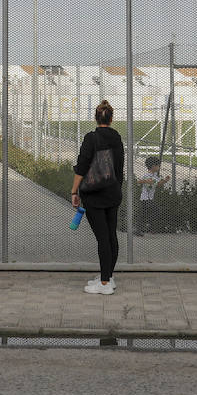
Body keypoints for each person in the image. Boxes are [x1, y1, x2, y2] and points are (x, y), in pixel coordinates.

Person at [71, 100, 125, 295]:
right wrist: (117, 188)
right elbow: (119, 168)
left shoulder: (91, 138)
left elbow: (82, 167)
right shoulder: (117, 138)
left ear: (96, 118)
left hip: (94, 195)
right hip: (113, 193)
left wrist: (74, 192)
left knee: (102, 238)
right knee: (111, 236)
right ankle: (108, 276)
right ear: (111, 119)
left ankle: (104, 284)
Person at [135, 155, 168, 236]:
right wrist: (146, 181)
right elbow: (139, 182)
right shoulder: (147, 175)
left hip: (149, 199)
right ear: (153, 166)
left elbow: (158, 184)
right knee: (156, 210)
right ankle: (149, 227)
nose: (159, 167)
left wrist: (165, 180)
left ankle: (139, 230)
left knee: (143, 214)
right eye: (158, 166)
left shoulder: (154, 176)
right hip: (145, 199)